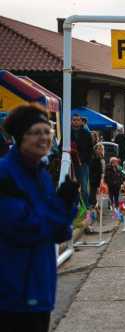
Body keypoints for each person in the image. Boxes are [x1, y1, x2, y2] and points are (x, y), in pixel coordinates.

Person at [0, 104, 79, 332]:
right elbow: (26, 228)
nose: (44, 138)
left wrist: (66, 205)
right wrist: (61, 209)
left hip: (40, 284)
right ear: (19, 137)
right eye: (36, 132)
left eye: (48, 131)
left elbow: (60, 232)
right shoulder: (5, 175)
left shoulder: (41, 174)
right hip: (12, 288)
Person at [71, 113, 94, 207]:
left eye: (77, 120)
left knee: (84, 186)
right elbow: (62, 145)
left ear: (81, 121)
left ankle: (87, 205)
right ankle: (76, 205)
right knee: (72, 185)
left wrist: (84, 160)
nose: (76, 122)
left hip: (83, 163)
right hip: (71, 163)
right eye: (74, 120)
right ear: (71, 121)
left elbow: (90, 149)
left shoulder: (86, 133)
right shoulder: (68, 132)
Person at [89, 143, 106, 209]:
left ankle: (96, 205)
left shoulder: (102, 157)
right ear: (96, 150)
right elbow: (93, 168)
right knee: (93, 192)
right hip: (94, 178)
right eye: (99, 149)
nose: (100, 150)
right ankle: (93, 205)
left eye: (101, 149)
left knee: (99, 192)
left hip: (100, 177)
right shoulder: (94, 158)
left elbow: (103, 168)